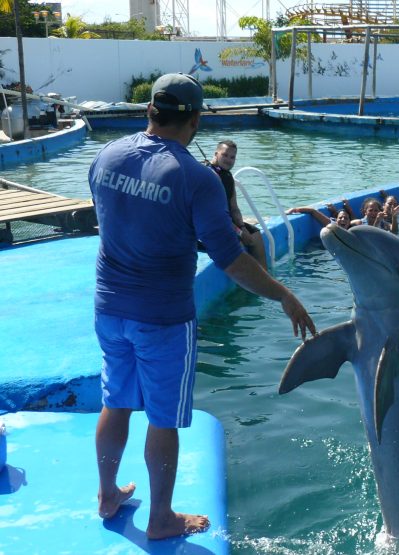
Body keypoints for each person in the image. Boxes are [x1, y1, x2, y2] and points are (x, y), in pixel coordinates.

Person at [89, 73, 317, 541]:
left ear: (149, 110)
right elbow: (231, 261)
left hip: (109, 307)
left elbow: (116, 222)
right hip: (163, 317)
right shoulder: (197, 178)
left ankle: (108, 494)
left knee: (115, 402)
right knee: (163, 417)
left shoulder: (106, 155)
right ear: (195, 119)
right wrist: (284, 294)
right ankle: (161, 518)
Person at [206, 140, 268, 270]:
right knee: (237, 244)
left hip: (229, 223)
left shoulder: (227, 176)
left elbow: (234, 208)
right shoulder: (208, 175)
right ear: (216, 154)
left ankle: (264, 275)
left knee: (255, 235)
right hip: (211, 225)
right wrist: (239, 233)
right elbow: (216, 214)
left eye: (232, 157)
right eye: (225, 155)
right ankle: (244, 283)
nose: (228, 160)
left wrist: (242, 227)